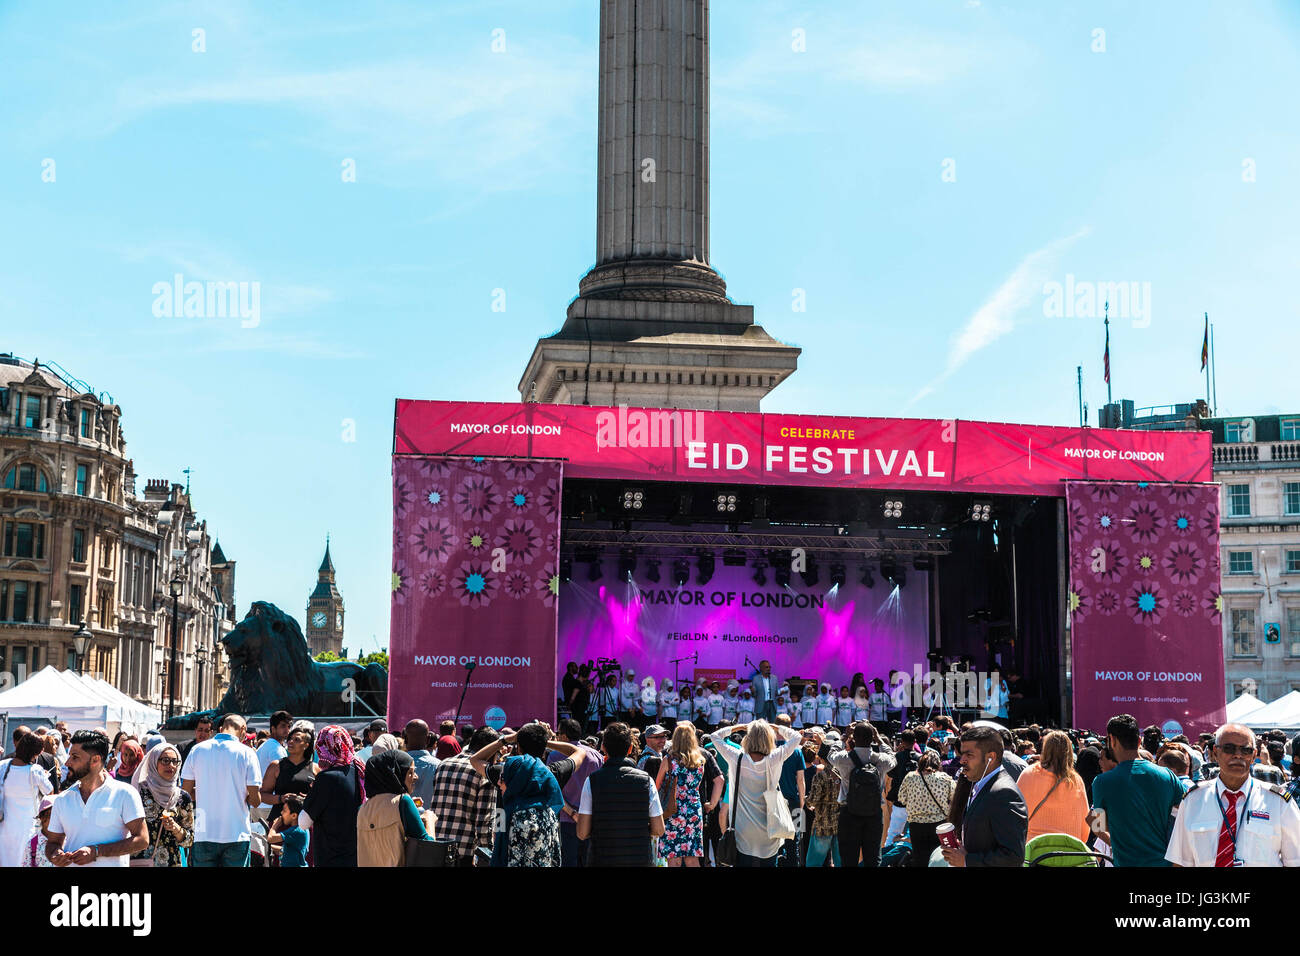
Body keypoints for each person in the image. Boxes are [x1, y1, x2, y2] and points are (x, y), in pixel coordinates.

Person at [1167, 722, 1300, 867]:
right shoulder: (1193, 800)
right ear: (1215, 752)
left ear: (1254, 755)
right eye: (1229, 748)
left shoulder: (1278, 802)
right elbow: (1181, 862)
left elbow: (1295, 861)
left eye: (1246, 750)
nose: (1238, 755)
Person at [1086, 714, 1184, 867]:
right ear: (1139, 741)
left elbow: (1098, 826)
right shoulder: (1168, 776)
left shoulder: (1102, 782)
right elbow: (1183, 818)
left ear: (1112, 740)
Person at [45, 730, 148, 867]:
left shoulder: (125, 794)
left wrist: (97, 851)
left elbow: (142, 840)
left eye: (75, 757)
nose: (67, 763)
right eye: (69, 756)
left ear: (95, 760)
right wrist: (55, 854)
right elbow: (53, 842)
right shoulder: (62, 799)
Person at [708, 720, 803, 866]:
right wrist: (776, 727)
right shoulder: (775, 758)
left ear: (748, 738)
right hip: (769, 826)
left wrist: (738, 727)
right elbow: (796, 737)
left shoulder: (736, 757)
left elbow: (714, 736)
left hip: (743, 828)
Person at [576, 721, 665, 865]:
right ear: (630, 749)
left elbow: (582, 832)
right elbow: (659, 829)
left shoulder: (592, 781)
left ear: (603, 747)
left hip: (602, 858)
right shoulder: (646, 781)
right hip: (638, 858)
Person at [180, 713, 263, 867]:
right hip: (236, 832)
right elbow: (255, 800)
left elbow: (185, 794)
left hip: (204, 831)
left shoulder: (197, 750)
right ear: (243, 730)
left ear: (220, 728)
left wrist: (206, 790)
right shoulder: (248, 753)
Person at [941, 725, 1026, 867]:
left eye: (969, 755)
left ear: (990, 758)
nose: (962, 760)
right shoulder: (980, 784)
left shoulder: (1004, 793)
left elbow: (1014, 856)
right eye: (962, 754)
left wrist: (967, 861)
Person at [490, 723, 564, 867]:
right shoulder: (548, 811)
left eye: (503, 778)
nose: (499, 782)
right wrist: (544, 741)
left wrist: (505, 739)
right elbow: (556, 856)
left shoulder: (518, 815)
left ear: (515, 781)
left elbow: (475, 759)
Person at [830, 723, 895, 867]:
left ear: (853, 737)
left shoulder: (843, 758)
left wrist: (843, 737)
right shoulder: (881, 759)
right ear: (872, 738)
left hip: (849, 812)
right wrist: (880, 740)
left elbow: (831, 755)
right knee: (872, 858)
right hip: (874, 813)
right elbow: (893, 758)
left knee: (848, 858)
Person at [300, 724, 366, 867]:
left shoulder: (326, 778)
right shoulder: (359, 768)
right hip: (357, 855)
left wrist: (310, 798)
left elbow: (303, 823)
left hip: (330, 857)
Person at [357, 750, 435, 866]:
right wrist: (430, 820)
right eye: (410, 772)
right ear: (396, 774)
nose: (416, 777)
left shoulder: (362, 809)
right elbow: (428, 847)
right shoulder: (403, 802)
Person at [1016, 730, 1090, 845]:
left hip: (1034, 851)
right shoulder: (1076, 780)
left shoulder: (1028, 774)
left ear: (1045, 749)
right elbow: (1085, 823)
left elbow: (1015, 813)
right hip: (1069, 850)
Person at [654, 722, 708, 866]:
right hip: (693, 810)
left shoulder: (669, 761)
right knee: (692, 857)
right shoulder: (700, 761)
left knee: (674, 856)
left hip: (673, 809)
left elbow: (656, 786)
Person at [551, 718, 603, 867]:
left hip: (567, 819)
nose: (557, 737)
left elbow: (554, 790)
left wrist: (572, 813)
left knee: (569, 861)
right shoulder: (596, 755)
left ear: (564, 737)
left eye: (558, 733)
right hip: (591, 818)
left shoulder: (554, 756)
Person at [133, 744, 194, 867]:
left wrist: (175, 828)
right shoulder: (139, 792)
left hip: (171, 862)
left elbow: (189, 840)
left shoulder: (182, 797)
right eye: (165, 760)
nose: (170, 765)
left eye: (174, 761)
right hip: (141, 861)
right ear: (154, 762)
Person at [0, 732, 53, 867]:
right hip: (26, 824)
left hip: (4, 823)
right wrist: (44, 777)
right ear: (35, 753)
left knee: (4, 858)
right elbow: (50, 792)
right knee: (22, 859)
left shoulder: (3, 765)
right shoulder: (35, 771)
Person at [896, 749, 955, 866]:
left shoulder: (910, 777)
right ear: (937, 763)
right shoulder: (945, 778)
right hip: (939, 824)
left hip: (916, 825)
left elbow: (901, 799)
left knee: (919, 859)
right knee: (937, 858)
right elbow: (954, 798)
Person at [260, 725, 318, 813]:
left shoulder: (315, 768)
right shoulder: (276, 765)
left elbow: (323, 797)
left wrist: (310, 799)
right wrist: (281, 798)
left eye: (296, 740)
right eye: (290, 738)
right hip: (279, 821)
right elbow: (262, 795)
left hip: (305, 822)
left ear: (306, 745)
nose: (290, 742)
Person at [774, 714, 806, 867]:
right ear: (790, 728)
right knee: (794, 842)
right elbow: (801, 780)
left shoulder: (769, 749)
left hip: (773, 801)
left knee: (774, 843)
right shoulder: (797, 751)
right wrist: (802, 803)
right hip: (793, 800)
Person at [805, 740, 842, 867]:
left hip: (822, 824)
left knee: (814, 862)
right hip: (841, 823)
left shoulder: (820, 776)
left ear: (821, 757)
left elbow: (812, 801)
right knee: (840, 861)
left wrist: (805, 799)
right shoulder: (843, 773)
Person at [884, 729, 918, 846]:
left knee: (892, 833)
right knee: (914, 836)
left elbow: (890, 774)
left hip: (899, 801)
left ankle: (885, 860)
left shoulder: (897, 757)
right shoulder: (920, 758)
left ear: (902, 742)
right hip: (916, 803)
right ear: (915, 741)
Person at [255, 710, 292, 815]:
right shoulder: (276, 749)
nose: (287, 730)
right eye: (283, 726)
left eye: (288, 726)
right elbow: (284, 777)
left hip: (260, 804)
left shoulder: (266, 745)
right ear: (273, 729)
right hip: (269, 806)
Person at [401, 719, 441, 808]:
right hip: (430, 820)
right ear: (428, 740)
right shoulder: (439, 766)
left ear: (405, 739)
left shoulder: (394, 765)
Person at [268, 794, 310, 867]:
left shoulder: (296, 831)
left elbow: (271, 838)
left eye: (284, 810)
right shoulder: (302, 829)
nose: (281, 813)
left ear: (294, 815)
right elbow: (284, 850)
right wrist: (267, 846)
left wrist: (275, 825)